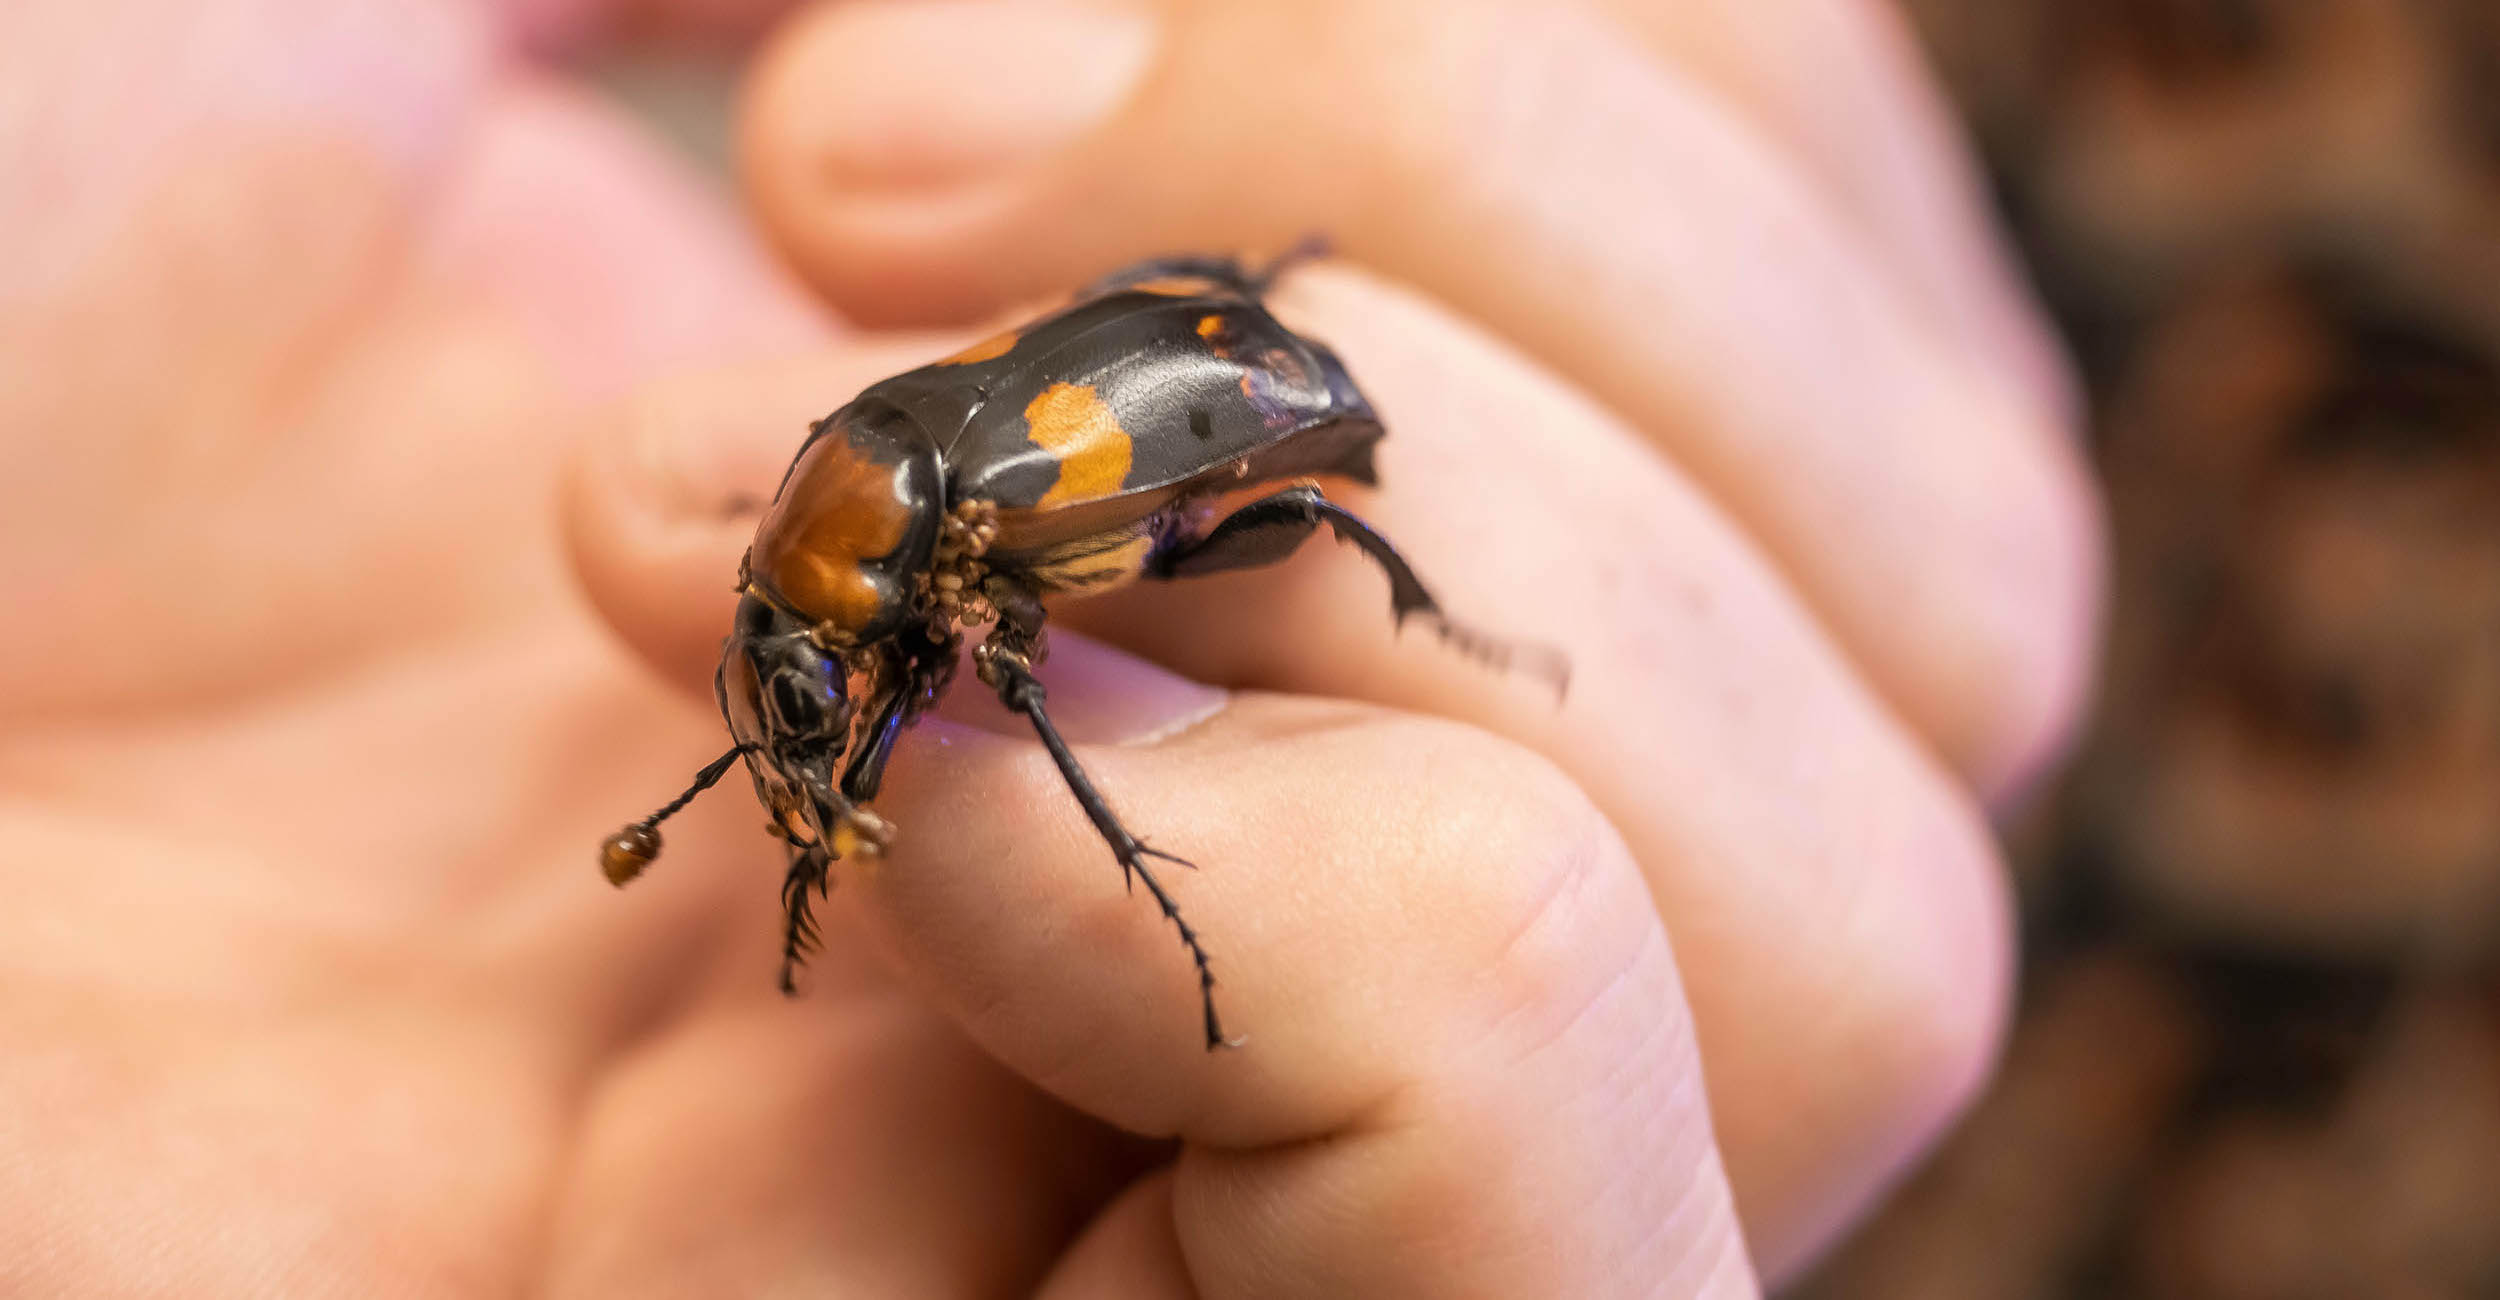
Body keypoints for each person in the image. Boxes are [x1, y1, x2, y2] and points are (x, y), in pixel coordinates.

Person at [0, 0, 2100, 1293]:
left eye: (809, 667)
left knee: (1163, 636)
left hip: (1245, 387)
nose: (809, 688)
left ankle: (1410, 622)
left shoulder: (949, 542)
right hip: (1166, 352)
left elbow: (924, 654)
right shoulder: (849, 515)